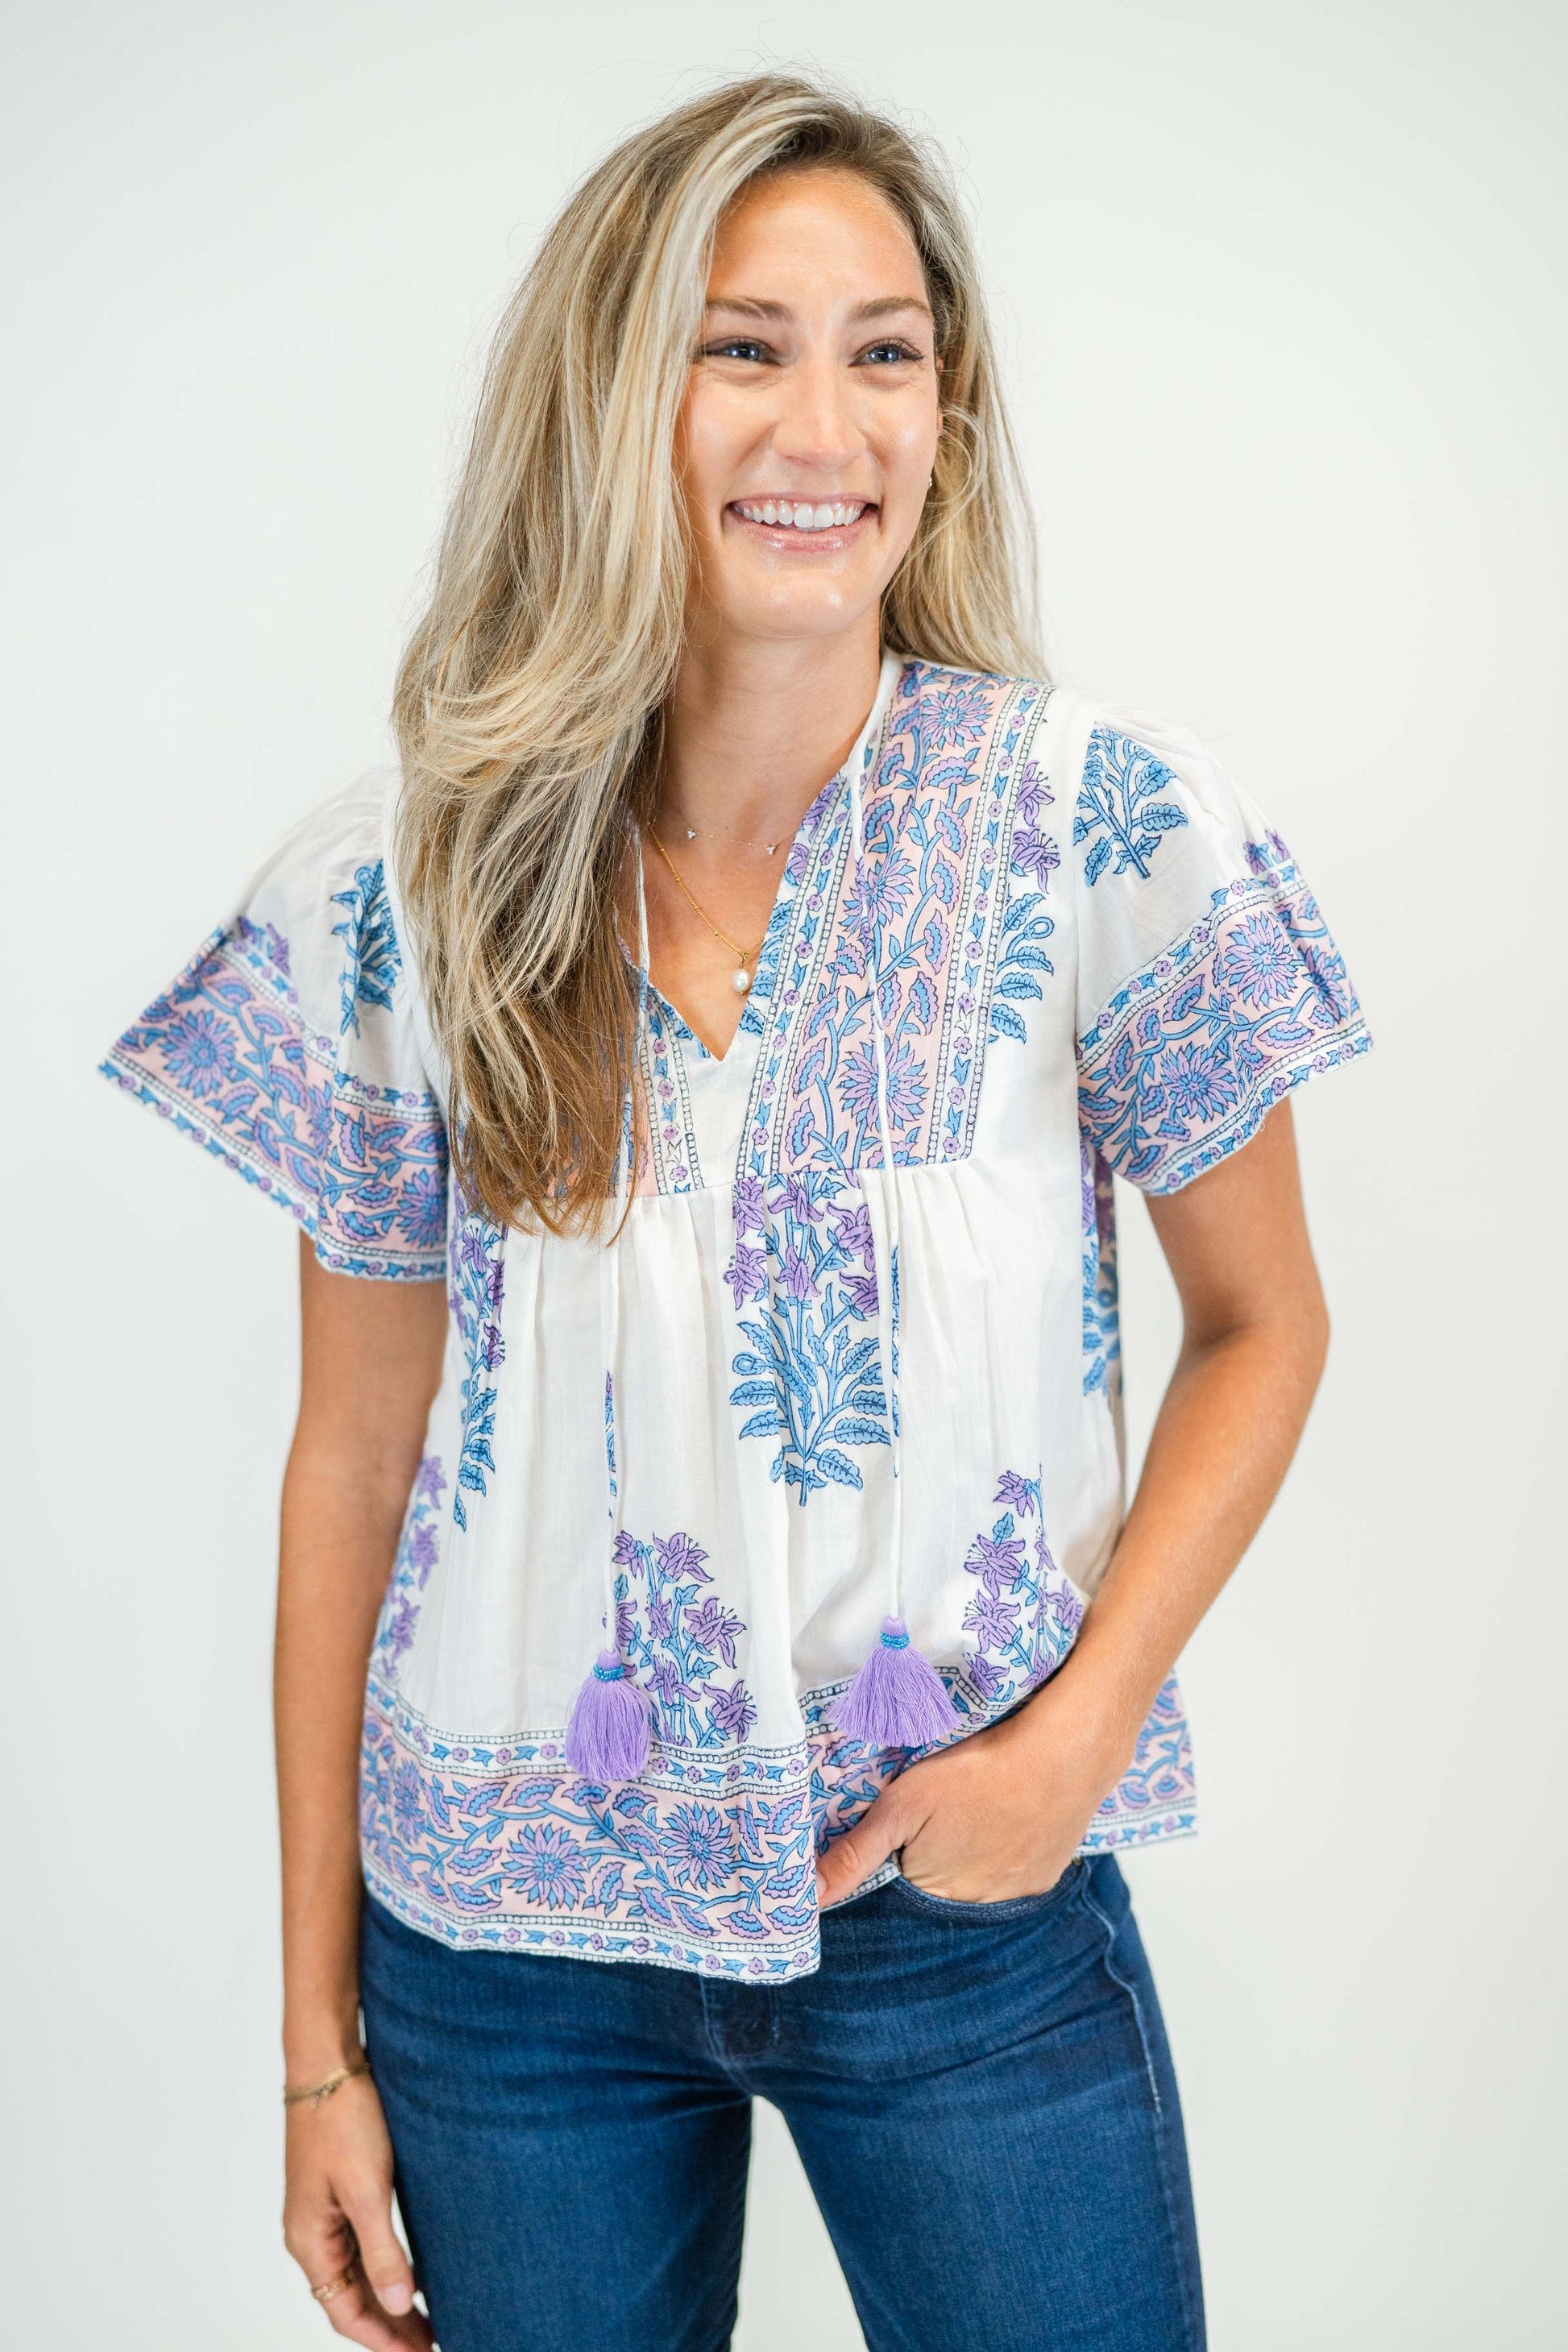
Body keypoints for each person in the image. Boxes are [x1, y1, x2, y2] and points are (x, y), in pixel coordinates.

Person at [102, 72, 1370, 2352]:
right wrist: (313, 2046)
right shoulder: (411, 884)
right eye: (741, 346)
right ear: (612, 400)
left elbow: (1264, 1324)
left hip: (963, 1916)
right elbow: (353, 1464)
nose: (824, 423)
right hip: (504, 1968)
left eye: (886, 353)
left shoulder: (1096, 827)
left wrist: (1073, 1744)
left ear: (944, 419)